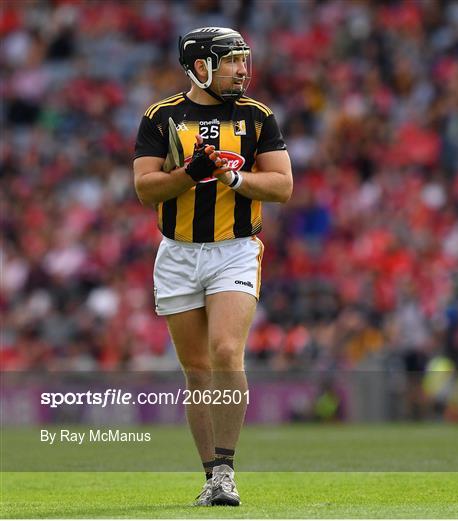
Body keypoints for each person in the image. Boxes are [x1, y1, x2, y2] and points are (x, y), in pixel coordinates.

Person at [133, 27, 292, 506]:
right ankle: (211, 476)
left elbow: (282, 186)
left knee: (226, 352)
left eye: (245, 59)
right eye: (232, 60)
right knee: (196, 370)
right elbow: (145, 189)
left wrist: (234, 176)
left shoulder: (256, 117)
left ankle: (226, 469)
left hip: (235, 249)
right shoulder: (160, 117)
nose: (244, 69)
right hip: (178, 253)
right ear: (201, 66)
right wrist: (190, 174)